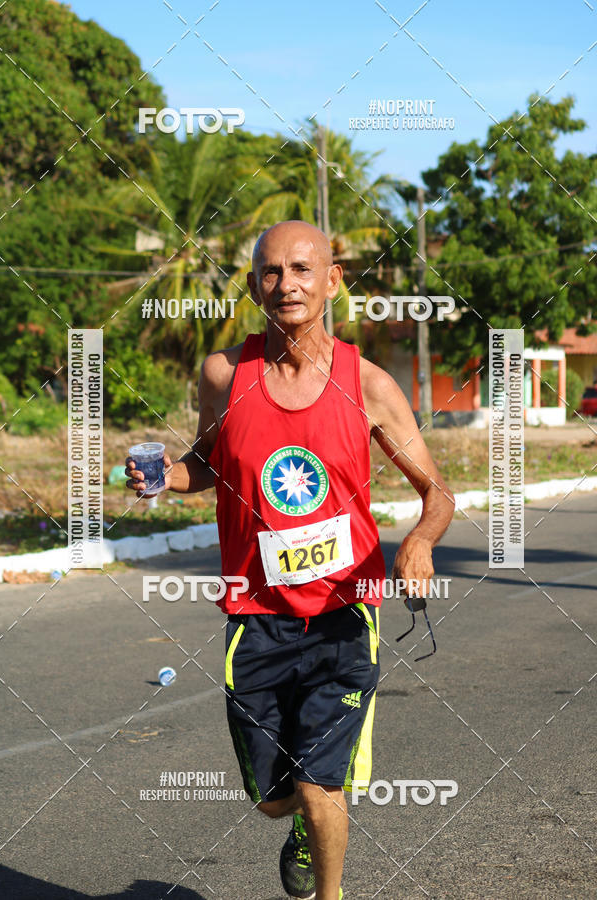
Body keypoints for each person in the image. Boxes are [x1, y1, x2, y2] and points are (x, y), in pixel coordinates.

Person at [126, 220, 454, 900]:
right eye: (272, 272)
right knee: (275, 798)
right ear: (254, 286)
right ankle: (297, 823)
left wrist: (420, 539)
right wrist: (161, 479)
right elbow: (207, 466)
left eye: (303, 270)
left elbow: (436, 490)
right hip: (257, 618)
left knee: (319, 782)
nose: (288, 285)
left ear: (333, 281)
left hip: (343, 616)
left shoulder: (368, 385)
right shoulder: (225, 373)